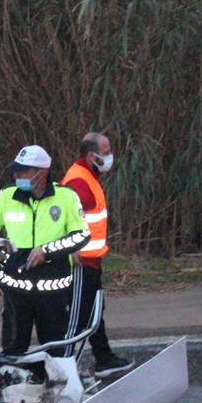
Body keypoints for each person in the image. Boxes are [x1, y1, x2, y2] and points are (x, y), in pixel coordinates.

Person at [0, 145, 90, 356]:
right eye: (16, 171)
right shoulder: (6, 196)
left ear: (42, 171)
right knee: (12, 351)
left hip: (53, 289)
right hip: (15, 289)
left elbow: (81, 235)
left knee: (56, 351)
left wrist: (46, 251)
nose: (17, 175)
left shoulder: (66, 197)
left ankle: (57, 385)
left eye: (23, 171)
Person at [61, 132, 132, 376]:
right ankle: (64, 369)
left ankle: (104, 358)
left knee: (93, 311)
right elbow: (63, 217)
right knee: (79, 317)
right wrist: (71, 249)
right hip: (80, 263)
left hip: (90, 260)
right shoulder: (79, 181)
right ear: (92, 156)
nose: (110, 156)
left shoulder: (87, 176)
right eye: (106, 151)